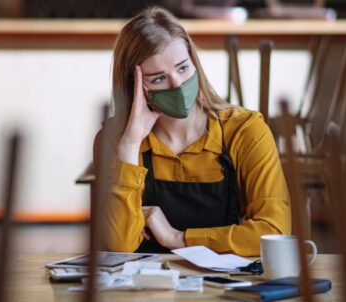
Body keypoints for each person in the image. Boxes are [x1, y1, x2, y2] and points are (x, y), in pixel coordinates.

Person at [94, 6, 290, 257]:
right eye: (158, 78)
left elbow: (274, 231)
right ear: (135, 86)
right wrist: (130, 145)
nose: (177, 84)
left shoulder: (246, 130)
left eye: (183, 68)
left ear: (195, 63)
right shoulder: (114, 141)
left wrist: (178, 238)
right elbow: (120, 245)